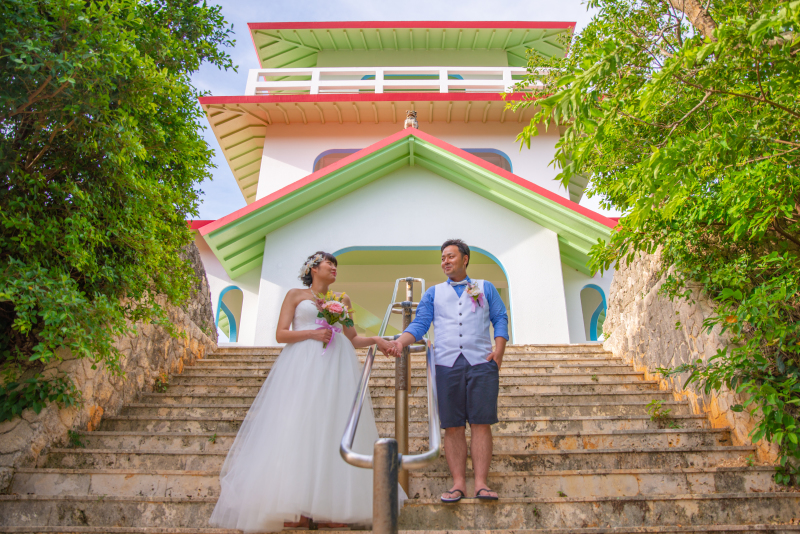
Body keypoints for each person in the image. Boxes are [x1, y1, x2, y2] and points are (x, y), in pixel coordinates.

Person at [209, 251, 405, 533]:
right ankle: (296, 506)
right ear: (313, 268)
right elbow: (281, 334)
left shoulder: (342, 300)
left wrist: (376, 339)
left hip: (336, 368)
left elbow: (353, 338)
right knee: (298, 429)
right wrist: (312, 333)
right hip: (302, 365)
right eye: (329, 264)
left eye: (336, 265)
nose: (334, 268)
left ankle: (331, 506)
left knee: (332, 428)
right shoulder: (295, 296)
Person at [388, 239, 508, 502]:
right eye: (442, 258)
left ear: (465, 259)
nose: (445, 261)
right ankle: (458, 484)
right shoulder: (433, 293)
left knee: (481, 423)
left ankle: (480, 483)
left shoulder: (485, 287)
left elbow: (500, 317)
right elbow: (420, 324)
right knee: (452, 426)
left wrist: (499, 349)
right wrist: (400, 341)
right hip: (446, 364)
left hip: (481, 362)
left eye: (450, 256)